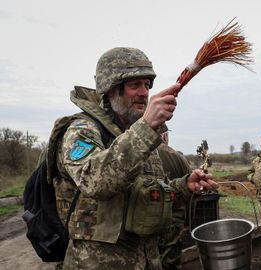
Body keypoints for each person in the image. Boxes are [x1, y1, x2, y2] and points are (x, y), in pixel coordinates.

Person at [52, 47, 217, 269]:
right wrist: (146, 127)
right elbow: (95, 182)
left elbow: (146, 193)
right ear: (111, 90)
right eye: (134, 85)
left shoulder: (137, 135)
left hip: (147, 260)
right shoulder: (81, 131)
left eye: (147, 85)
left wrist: (184, 186)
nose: (144, 92)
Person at [157, 129, 192, 270]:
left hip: (142, 221)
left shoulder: (137, 151)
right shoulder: (177, 156)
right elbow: (189, 190)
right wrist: (188, 222)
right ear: (165, 135)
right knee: (169, 262)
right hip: (172, 221)